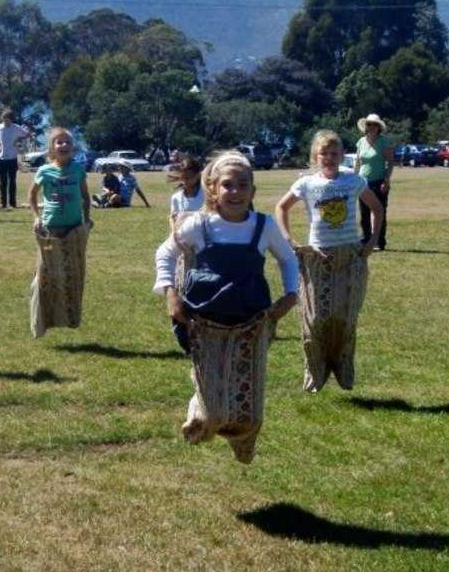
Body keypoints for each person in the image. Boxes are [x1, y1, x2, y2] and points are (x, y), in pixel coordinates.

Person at [154, 151, 298, 463]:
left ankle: (243, 443)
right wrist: (169, 293)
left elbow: (288, 258)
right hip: (205, 323)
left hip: (251, 322)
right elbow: (165, 254)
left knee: (248, 409)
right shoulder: (200, 225)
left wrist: (291, 294)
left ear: (253, 192)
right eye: (227, 185)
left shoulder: (264, 226)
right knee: (213, 411)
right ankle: (201, 408)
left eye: (242, 185)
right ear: (213, 190)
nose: (235, 192)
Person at [275, 130, 383, 392]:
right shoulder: (306, 184)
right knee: (315, 319)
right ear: (316, 156)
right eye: (324, 153)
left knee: (345, 318)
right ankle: (316, 371)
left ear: (341, 156)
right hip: (318, 257)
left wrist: (371, 242)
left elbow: (376, 209)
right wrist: (290, 241)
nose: (330, 158)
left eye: (335, 153)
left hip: (349, 255)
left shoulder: (353, 181)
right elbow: (281, 208)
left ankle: (342, 367)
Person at [28, 128, 92, 337]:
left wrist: (86, 220)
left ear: (72, 148)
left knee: (73, 274)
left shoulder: (78, 170)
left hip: (74, 228)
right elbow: (31, 196)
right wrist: (37, 217)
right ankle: (41, 321)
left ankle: (71, 317)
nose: (63, 145)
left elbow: (85, 196)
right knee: (45, 275)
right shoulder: (44, 171)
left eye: (67, 142)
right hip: (50, 229)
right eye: (59, 142)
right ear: (52, 148)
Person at [354, 113, 394, 251]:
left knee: (379, 212)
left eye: (374, 124)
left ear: (378, 127)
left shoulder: (384, 142)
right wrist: (353, 179)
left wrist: (386, 180)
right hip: (363, 182)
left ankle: (379, 242)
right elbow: (358, 162)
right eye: (368, 124)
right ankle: (365, 239)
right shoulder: (361, 142)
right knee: (364, 213)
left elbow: (390, 162)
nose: (371, 127)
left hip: (379, 182)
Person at [0, 109, 31, 208]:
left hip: (12, 158)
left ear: (11, 119)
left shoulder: (16, 128)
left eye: (8, 119)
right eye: (4, 119)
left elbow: (27, 135)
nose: (6, 121)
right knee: (3, 182)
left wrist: (19, 139)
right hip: (1, 158)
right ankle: (3, 203)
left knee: (12, 182)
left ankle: (13, 203)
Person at [168, 154, 204, 230]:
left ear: (197, 175)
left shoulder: (206, 195)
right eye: (183, 177)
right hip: (182, 237)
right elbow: (173, 217)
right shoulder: (176, 197)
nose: (185, 181)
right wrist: (174, 232)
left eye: (189, 177)